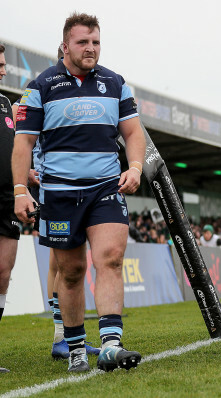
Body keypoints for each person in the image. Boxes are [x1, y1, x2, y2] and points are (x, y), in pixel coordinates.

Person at [12, 13, 145, 373]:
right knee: (70, 272)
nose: (91, 49)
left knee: (111, 258)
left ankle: (111, 344)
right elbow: (23, 143)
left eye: (96, 42)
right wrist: (21, 189)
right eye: (83, 42)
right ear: (66, 44)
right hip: (58, 195)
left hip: (105, 189)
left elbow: (133, 134)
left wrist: (134, 168)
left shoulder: (116, 84)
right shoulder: (39, 87)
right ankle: (74, 349)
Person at [0, 43, 24, 374]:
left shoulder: (6, 103)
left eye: (4, 63)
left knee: (3, 274)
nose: (3, 69)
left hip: (8, 200)